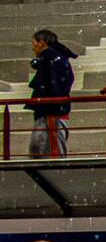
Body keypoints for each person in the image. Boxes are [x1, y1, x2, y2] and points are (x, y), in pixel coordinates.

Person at [27, 30, 74, 158]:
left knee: (51, 153)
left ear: (41, 43)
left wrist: (52, 103)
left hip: (51, 112)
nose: (33, 47)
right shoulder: (53, 58)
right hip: (48, 110)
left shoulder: (53, 59)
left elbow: (58, 85)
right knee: (40, 150)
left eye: (34, 43)